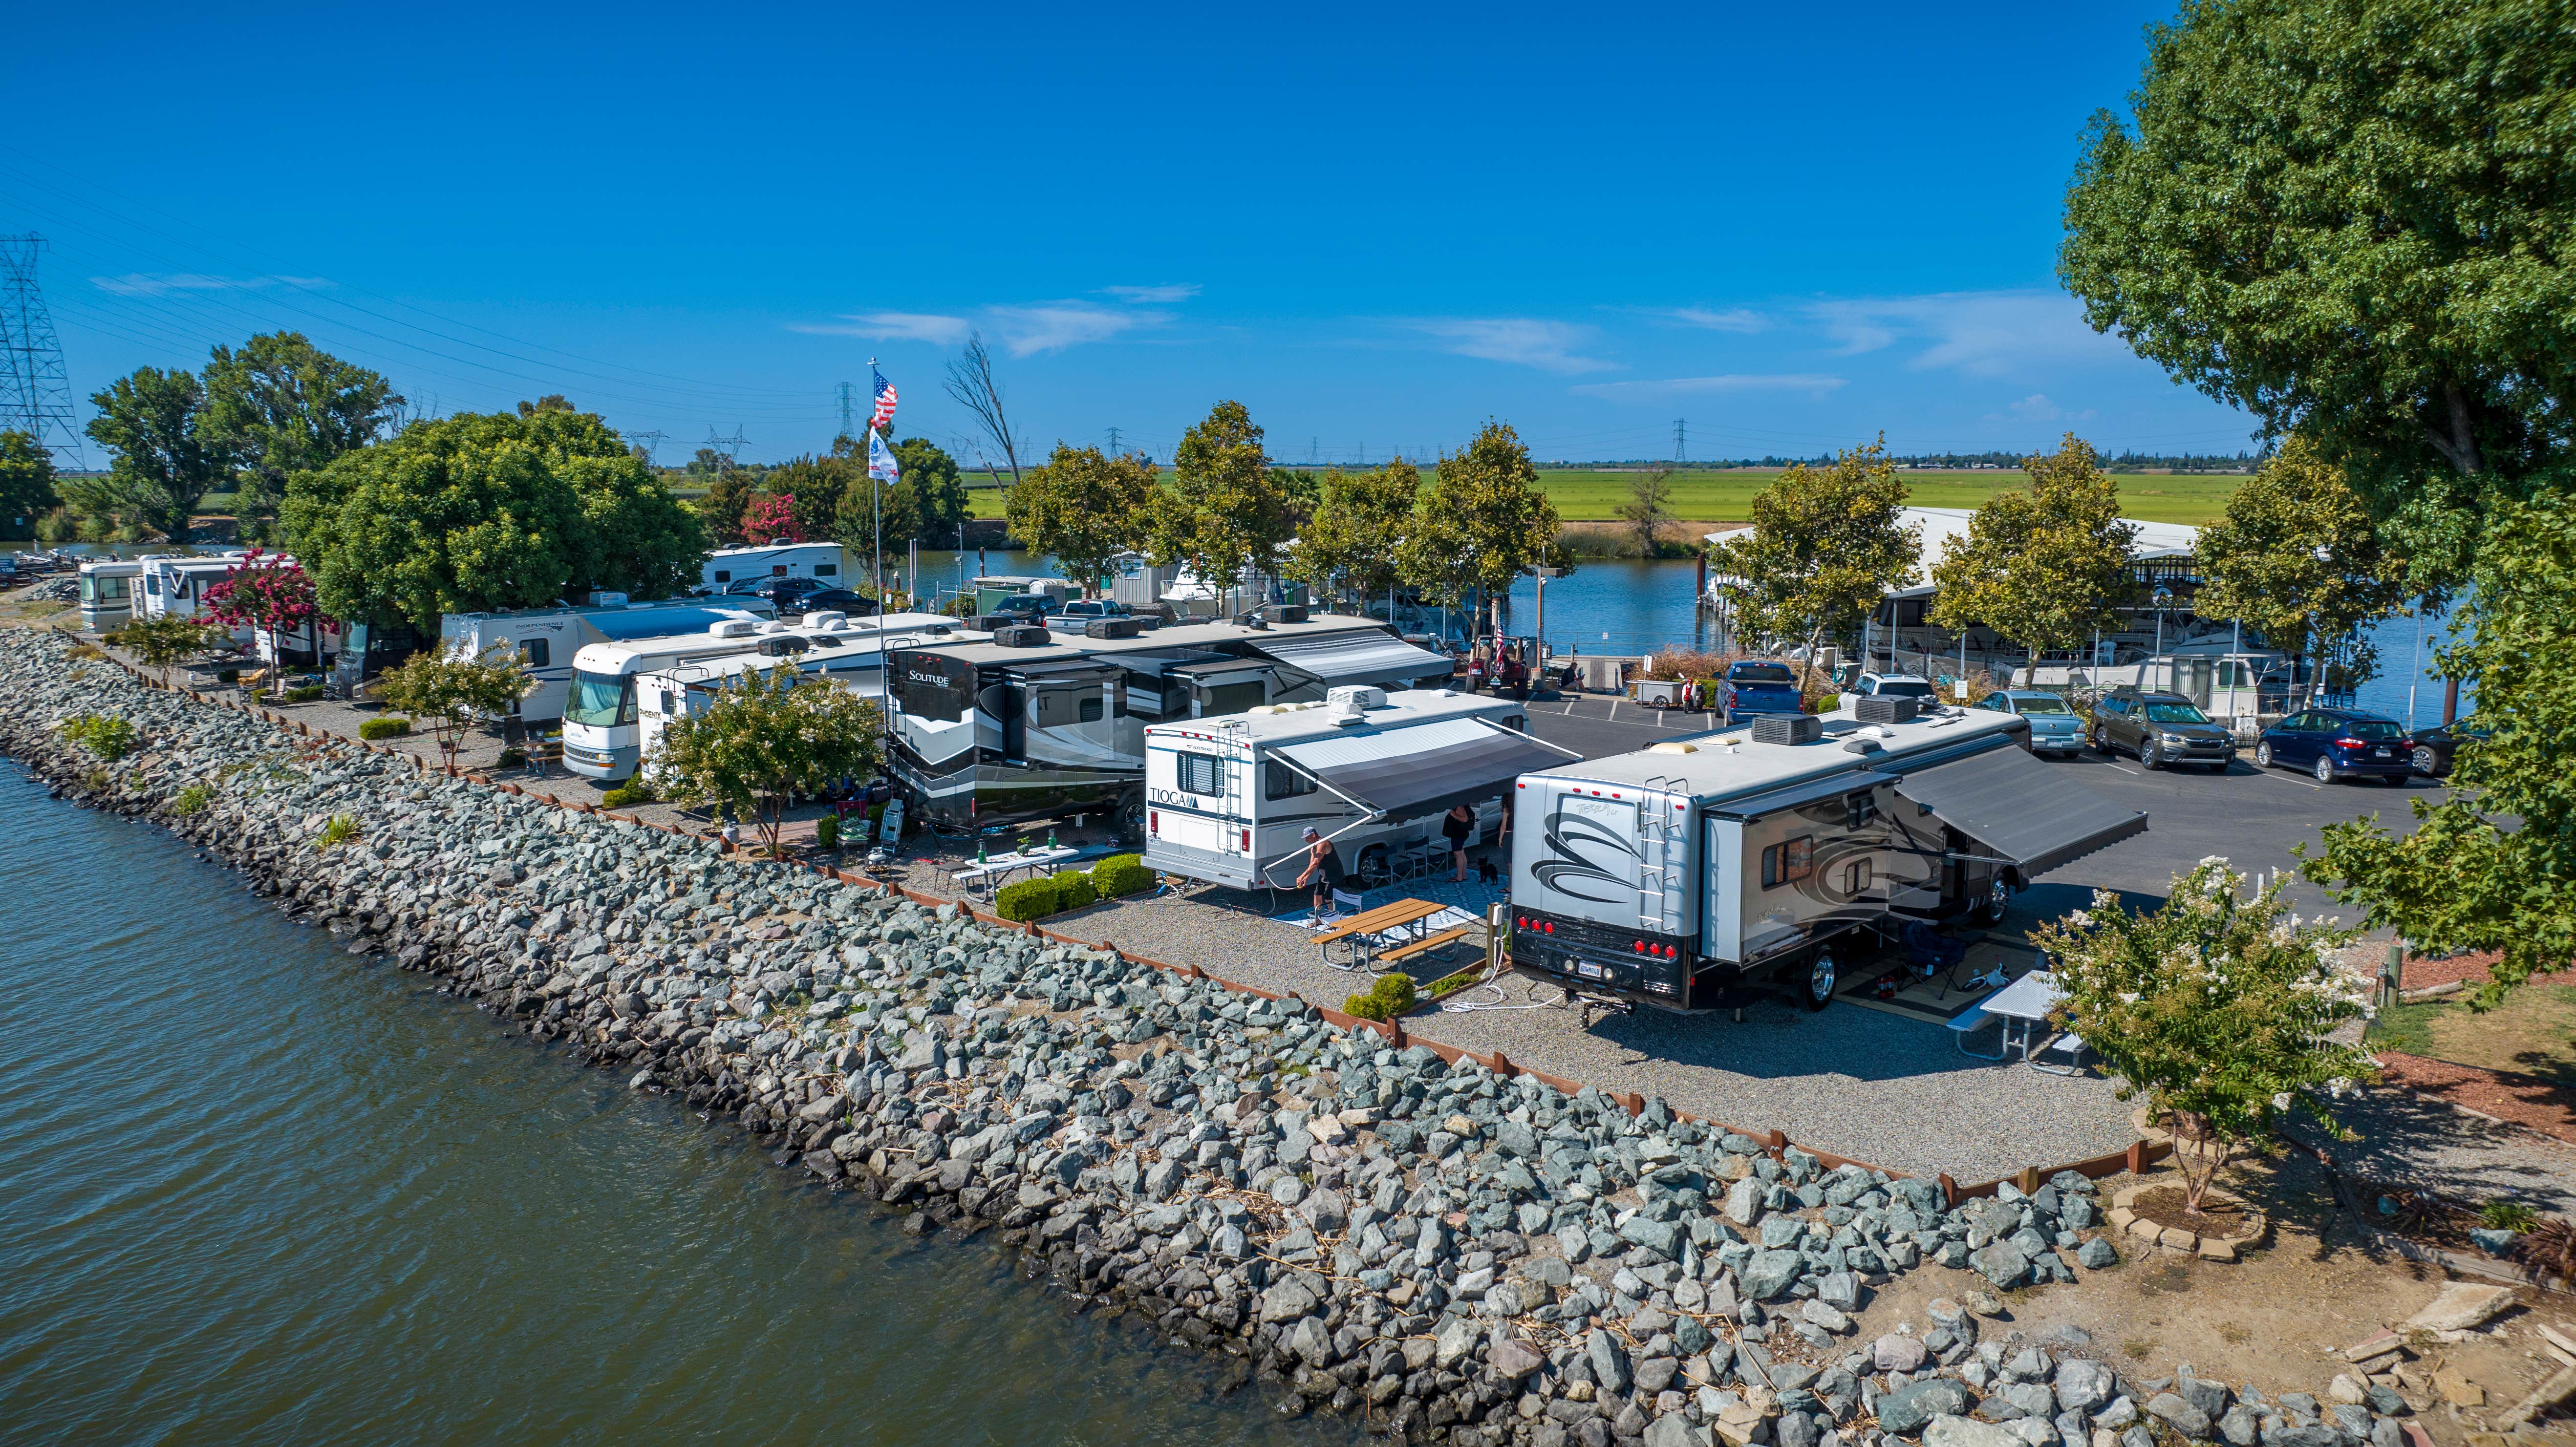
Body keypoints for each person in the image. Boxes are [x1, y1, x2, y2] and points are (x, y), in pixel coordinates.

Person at [1294, 827, 1344, 921]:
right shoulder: (1313, 847)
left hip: (1334, 874)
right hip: (1324, 875)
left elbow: (1316, 862)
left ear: (1314, 835)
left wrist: (1302, 876)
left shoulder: (1323, 843)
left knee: (1328, 898)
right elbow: (1312, 864)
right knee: (1317, 895)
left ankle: (1334, 920)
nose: (1306, 840)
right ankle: (1318, 919)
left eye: (1307, 837)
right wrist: (1306, 878)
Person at [1443, 802, 1477, 883]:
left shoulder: (1459, 807)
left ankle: (1459, 877)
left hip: (1458, 834)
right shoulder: (1463, 806)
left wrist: (1453, 815)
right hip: (1461, 834)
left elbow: (1465, 819)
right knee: (1461, 854)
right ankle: (1463, 875)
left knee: (1458, 855)